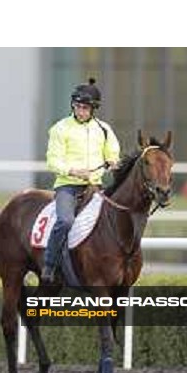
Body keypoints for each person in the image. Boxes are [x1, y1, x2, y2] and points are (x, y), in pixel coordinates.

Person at [42, 78, 121, 283]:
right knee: (65, 221)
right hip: (67, 186)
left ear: (93, 109)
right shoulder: (60, 129)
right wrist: (73, 171)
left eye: (85, 108)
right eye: (77, 106)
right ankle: (49, 265)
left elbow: (112, 151)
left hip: (95, 186)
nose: (80, 111)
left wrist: (112, 160)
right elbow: (52, 161)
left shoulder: (104, 129)